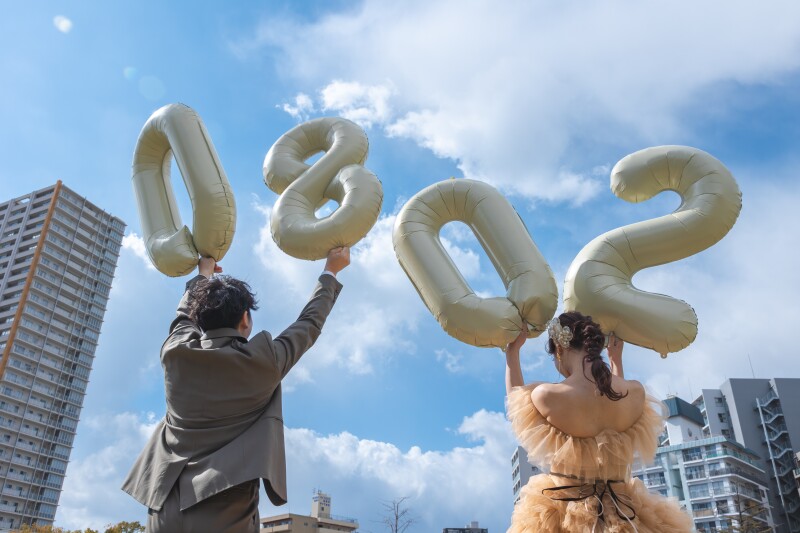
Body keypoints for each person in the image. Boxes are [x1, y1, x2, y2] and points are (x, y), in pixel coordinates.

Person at [122, 247, 350, 532]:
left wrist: (203, 275)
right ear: (245, 319)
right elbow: (309, 324)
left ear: (200, 320)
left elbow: (183, 317)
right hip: (225, 508)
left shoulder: (174, 352)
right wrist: (331, 271)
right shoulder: (264, 362)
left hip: (164, 507)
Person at [505, 311, 693, 532]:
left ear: (559, 349)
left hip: (563, 513)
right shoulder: (635, 392)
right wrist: (616, 361)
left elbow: (516, 406)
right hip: (627, 514)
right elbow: (612, 401)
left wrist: (512, 353)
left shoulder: (546, 395)